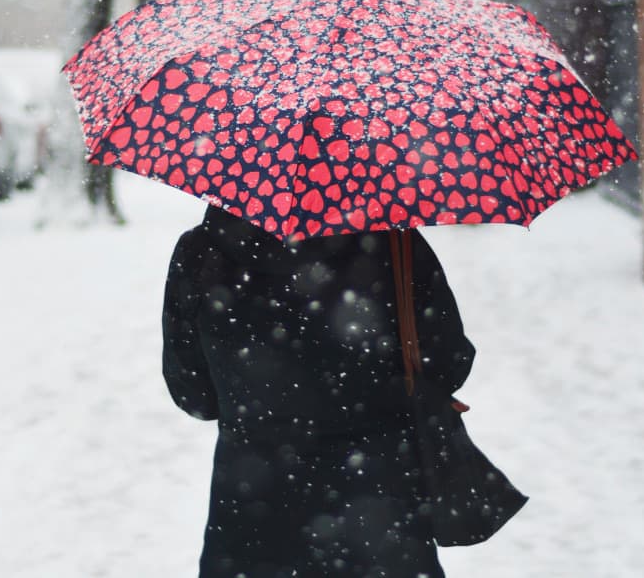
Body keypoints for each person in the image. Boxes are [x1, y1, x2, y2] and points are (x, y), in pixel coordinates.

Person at [162, 205, 477, 578]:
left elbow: (194, 395)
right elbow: (448, 362)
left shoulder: (201, 252)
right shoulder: (393, 244)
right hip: (379, 506)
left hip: (253, 511)